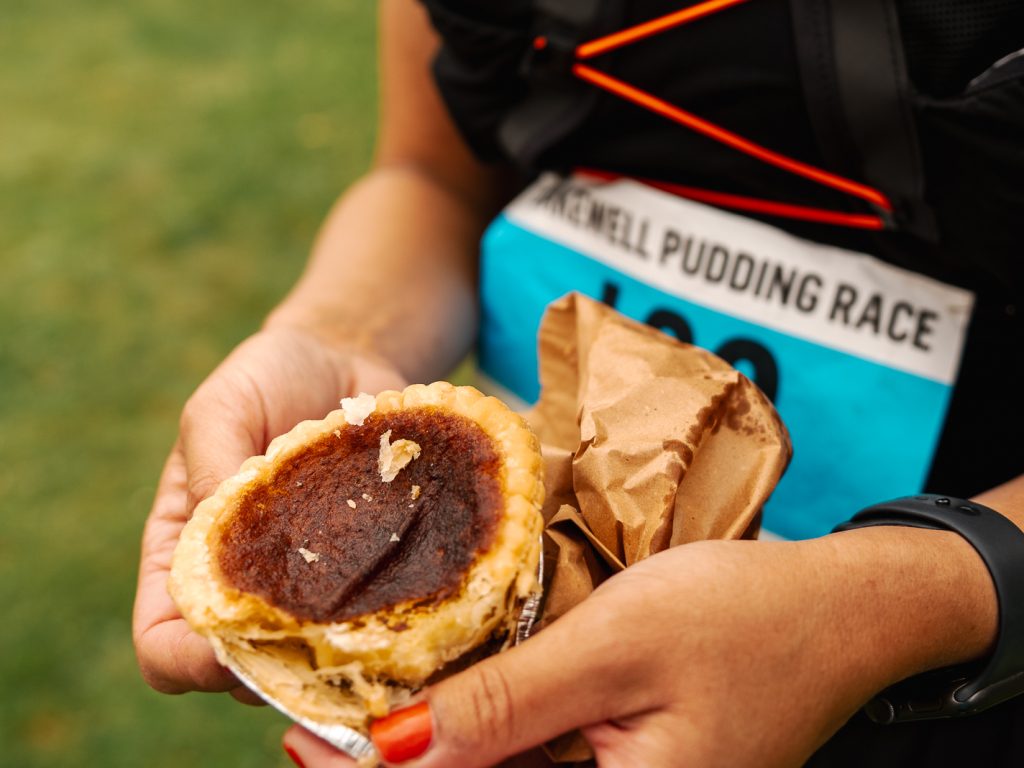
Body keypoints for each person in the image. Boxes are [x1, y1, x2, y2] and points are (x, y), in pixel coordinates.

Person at [133, 0, 1024, 766]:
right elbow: (433, 173)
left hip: (971, 672)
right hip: (523, 595)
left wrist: (891, 606)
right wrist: (338, 337)